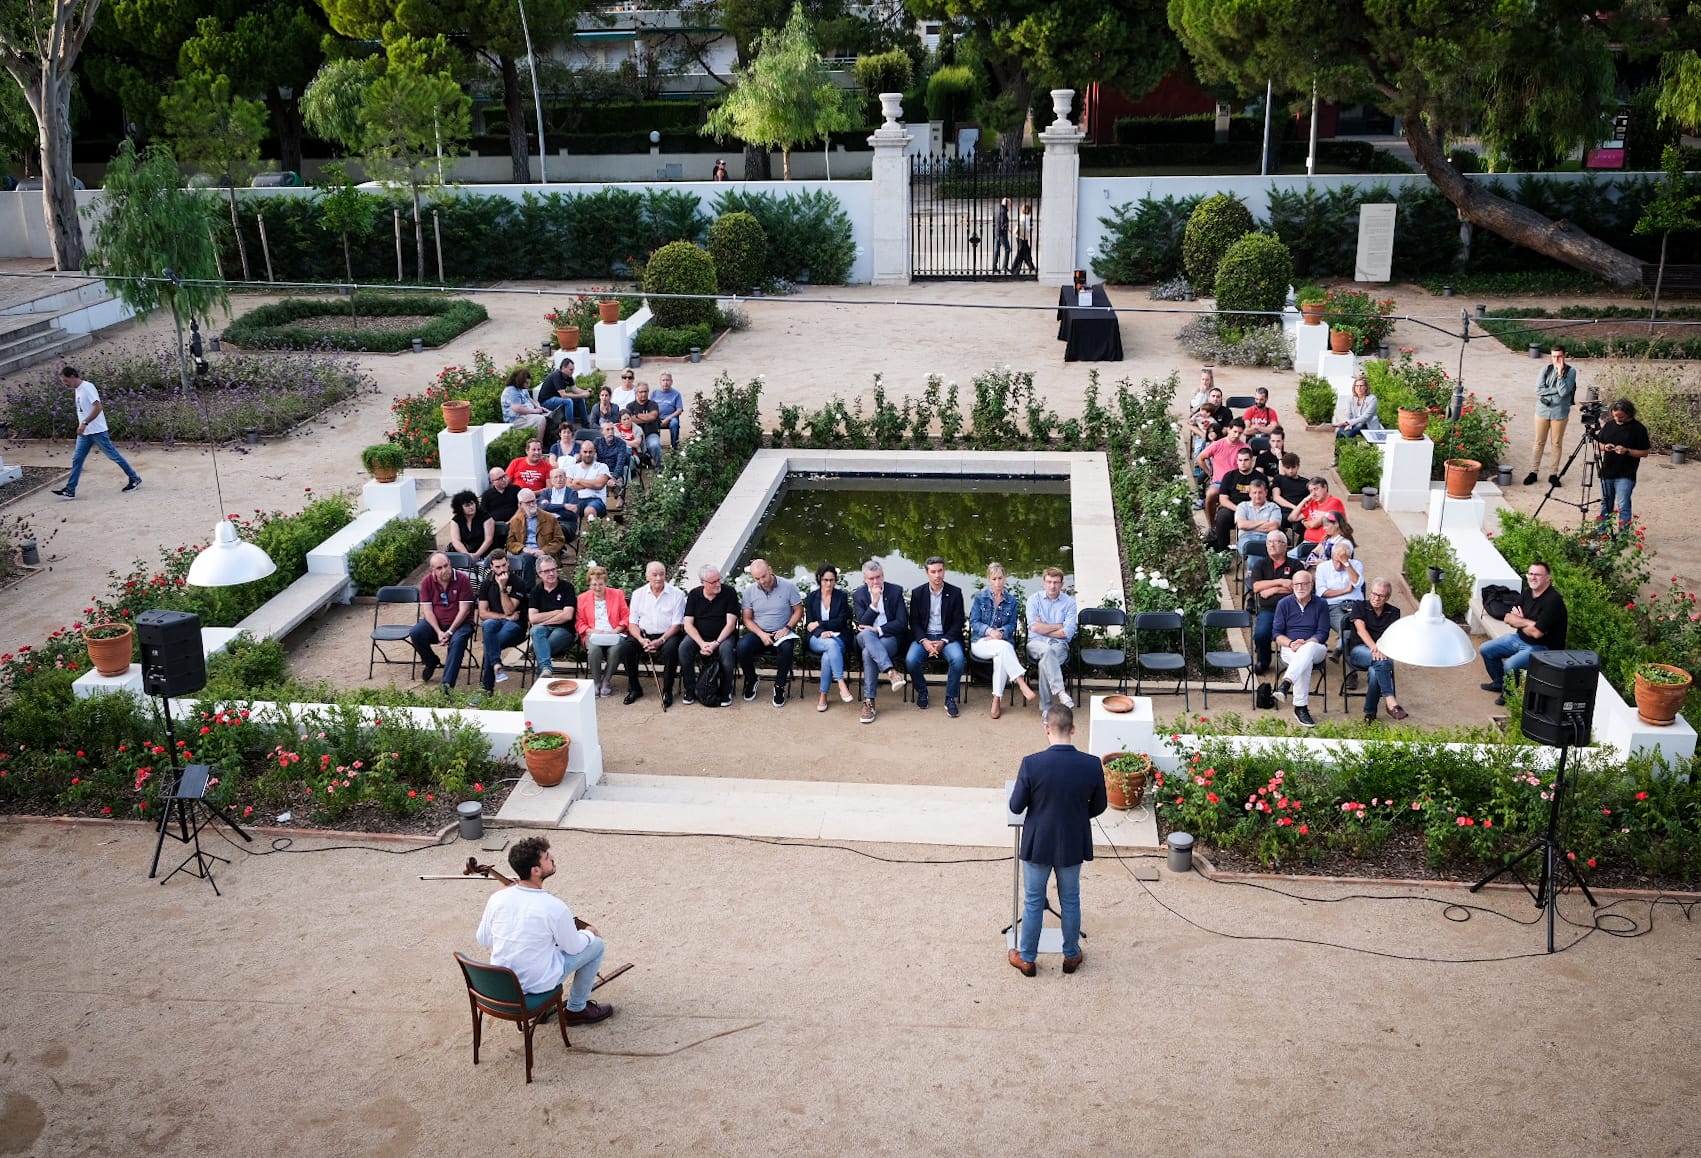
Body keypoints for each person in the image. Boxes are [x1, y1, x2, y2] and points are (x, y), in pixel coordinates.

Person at [1006, 704, 1107, 978]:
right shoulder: (1091, 764)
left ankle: (1027, 958)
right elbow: (1100, 806)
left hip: (1039, 840)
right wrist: (1076, 814)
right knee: (1071, 899)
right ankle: (1071, 954)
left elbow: (1016, 807)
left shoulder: (1032, 763)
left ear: (1046, 729)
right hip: (1073, 839)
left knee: (1033, 900)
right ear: (1073, 729)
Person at [474, 836, 613, 1027]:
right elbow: (573, 948)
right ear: (535, 870)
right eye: (547, 857)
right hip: (536, 984)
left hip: (502, 986)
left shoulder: (497, 898)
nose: (552, 857)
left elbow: (483, 939)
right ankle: (576, 1009)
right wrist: (589, 933)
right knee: (596, 945)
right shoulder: (554, 907)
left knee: (541, 942)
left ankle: (545, 1010)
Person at [1480, 560, 1568, 705]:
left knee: (1510, 665)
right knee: (1486, 649)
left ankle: (1508, 694)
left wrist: (1520, 620)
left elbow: (1537, 633)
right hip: (1519, 638)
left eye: (1538, 575)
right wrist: (1528, 623)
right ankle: (1498, 683)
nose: (1533, 577)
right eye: (1531, 574)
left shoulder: (1553, 601)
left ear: (1548, 578)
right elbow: (1508, 617)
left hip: (1542, 647)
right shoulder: (1528, 593)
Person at [51, 365, 142, 500]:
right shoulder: (77, 390)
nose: (65, 384)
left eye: (65, 381)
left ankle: (134, 478)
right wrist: (83, 425)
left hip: (97, 430)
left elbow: (98, 407)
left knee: (114, 456)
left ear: (72, 377)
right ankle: (70, 490)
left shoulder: (87, 387)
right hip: (86, 432)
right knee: (77, 459)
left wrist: (85, 423)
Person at [969, 562, 1037, 719]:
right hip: (981, 642)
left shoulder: (1012, 601)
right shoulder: (980, 598)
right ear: (989, 579)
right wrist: (989, 631)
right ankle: (1020, 682)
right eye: (994, 579)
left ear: (1005, 578)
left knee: (1001, 656)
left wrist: (1000, 632)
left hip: (1001, 643)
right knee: (1004, 648)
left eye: (1000, 578)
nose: (998, 582)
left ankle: (996, 699)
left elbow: (1012, 625)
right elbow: (974, 621)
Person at [905, 555, 967, 717]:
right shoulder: (918, 593)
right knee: (911, 660)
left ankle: (950, 698)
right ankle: (922, 691)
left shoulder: (955, 592)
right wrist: (925, 641)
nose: (937, 575)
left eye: (940, 571)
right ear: (927, 573)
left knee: (958, 659)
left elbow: (958, 621)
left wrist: (943, 641)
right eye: (933, 572)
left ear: (944, 571)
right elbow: (915, 622)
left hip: (947, 637)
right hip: (924, 637)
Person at [738, 558, 803, 708]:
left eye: (764, 576)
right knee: (742, 647)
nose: (762, 581)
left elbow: (798, 610)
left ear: (770, 570)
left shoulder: (788, 587)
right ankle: (752, 679)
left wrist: (787, 628)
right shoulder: (750, 592)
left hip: (782, 631)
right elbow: (747, 619)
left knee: (787, 649)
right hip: (759, 632)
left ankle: (779, 686)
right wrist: (761, 634)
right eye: (757, 578)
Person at [618, 561, 685, 706]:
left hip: (668, 635)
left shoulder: (677, 594)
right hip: (643, 635)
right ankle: (635, 688)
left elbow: (677, 624)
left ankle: (667, 691)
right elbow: (633, 623)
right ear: (647, 576)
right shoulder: (638, 594)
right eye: (654, 575)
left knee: (670, 650)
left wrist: (661, 640)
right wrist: (642, 640)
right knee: (626, 648)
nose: (659, 578)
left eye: (662, 574)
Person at [1271, 569, 1329, 728]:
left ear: (1312, 585)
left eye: (1304, 583)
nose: (1300, 587)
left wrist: (1306, 643)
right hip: (1290, 647)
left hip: (1316, 647)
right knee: (1305, 662)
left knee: (1308, 650)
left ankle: (1286, 684)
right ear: (1292, 585)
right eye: (1297, 583)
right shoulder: (1284, 604)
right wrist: (1291, 643)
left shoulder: (1321, 604)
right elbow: (1276, 634)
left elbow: (1323, 633)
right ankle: (1300, 707)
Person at [852, 560, 908, 724]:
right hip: (865, 637)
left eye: (878, 577)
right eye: (871, 578)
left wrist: (879, 630)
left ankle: (869, 702)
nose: (876, 582)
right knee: (867, 635)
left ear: (883, 576)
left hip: (889, 638)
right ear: (865, 579)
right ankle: (891, 672)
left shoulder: (895, 591)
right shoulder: (860, 595)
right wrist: (875, 603)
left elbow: (901, 623)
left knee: (868, 653)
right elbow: (862, 624)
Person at [410, 552, 475, 691]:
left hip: (461, 624)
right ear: (432, 570)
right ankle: (431, 661)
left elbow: (464, 611)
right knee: (416, 632)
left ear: (450, 564)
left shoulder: (463, 579)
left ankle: (447, 685)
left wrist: (450, 631)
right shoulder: (427, 582)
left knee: (457, 642)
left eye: (446, 566)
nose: (444, 570)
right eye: (439, 568)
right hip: (437, 624)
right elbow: (427, 611)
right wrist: (439, 631)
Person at [1347, 578, 1409, 722]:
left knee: (1376, 671)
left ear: (1387, 597)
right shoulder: (1359, 606)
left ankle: (1370, 714)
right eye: (1374, 594)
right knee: (1382, 661)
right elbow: (1361, 630)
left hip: (1382, 655)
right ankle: (1390, 700)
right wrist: (1375, 648)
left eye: (1380, 596)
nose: (1375, 598)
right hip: (1359, 651)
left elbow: (1393, 636)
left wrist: (1381, 651)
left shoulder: (1393, 612)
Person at [679, 565, 740, 708]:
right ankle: (690, 689)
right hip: (699, 637)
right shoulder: (694, 594)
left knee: (726, 651)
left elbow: (731, 624)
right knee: (684, 648)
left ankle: (726, 691)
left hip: (723, 637)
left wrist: (716, 643)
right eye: (713, 582)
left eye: (719, 579)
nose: (718, 584)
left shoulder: (729, 592)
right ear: (703, 583)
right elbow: (688, 624)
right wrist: (701, 643)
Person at [802, 564, 854, 711]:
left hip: (838, 637)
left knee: (828, 655)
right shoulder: (812, 598)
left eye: (832, 580)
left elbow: (841, 621)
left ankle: (823, 695)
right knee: (830, 645)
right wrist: (821, 632)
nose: (829, 584)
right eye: (825, 580)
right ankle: (841, 683)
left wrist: (820, 624)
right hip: (817, 638)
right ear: (819, 579)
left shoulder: (841, 596)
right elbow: (809, 625)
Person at [1248, 531, 1300, 674]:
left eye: (1276, 541)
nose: (1271, 544)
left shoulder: (1296, 565)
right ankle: (1263, 662)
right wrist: (1281, 582)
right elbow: (1257, 587)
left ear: (1285, 546)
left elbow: (1298, 588)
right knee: (1260, 634)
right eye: (1269, 542)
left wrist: (1271, 590)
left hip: (1293, 610)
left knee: (1299, 633)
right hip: (1269, 610)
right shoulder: (1261, 564)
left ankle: (1296, 663)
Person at [1026, 566, 1077, 712]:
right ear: (1044, 583)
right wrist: (1058, 626)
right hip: (1035, 644)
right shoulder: (1034, 600)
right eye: (1049, 582)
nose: (1052, 586)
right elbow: (1034, 627)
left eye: (1056, 582)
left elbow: (1067, 632)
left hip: (1059, 646)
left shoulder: (1069, 603)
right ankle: (1061, 693)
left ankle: (1046, 709)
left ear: (1061, 584)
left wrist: (1044, 627)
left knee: (1044, 663)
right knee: (1046, 651)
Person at [1594, 398, 1650, 531]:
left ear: (1629, 413)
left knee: (1623, 505)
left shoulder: (1638, 429)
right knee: (1605, 504)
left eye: (1621, 416)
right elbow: (1597, 444)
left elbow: (1645, 452)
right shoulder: (1609, 425)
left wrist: (1627, 451)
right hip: (1607, 471)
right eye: (1614, 416)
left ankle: (1623, 534)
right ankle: (1602, 531)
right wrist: (1605, 447)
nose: (1617, 419)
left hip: (1626, 474)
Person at [477, 553, 530, 692]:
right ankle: (496, 665)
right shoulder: (486, 583)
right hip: (498, 622)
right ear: (491, 567)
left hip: (516, 626)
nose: (502, 570)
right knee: (487, 624)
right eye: (497, 567)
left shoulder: (518, 583)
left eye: (504, 565)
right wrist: (503, 617)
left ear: (508, 563)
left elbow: (509, 609)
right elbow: (482, 614)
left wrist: (502, 588)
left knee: (491, 643)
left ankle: (486, 688)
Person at [575, 565, 630, 697]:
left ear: (606, 583)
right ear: (589, 583)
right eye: (594, 584)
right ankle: (596, 682)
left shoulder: (617, 594)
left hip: (614, 633)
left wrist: (616, 630)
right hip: (593, 634)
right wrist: (591, 631)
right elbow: (579, 622)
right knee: (594, 650)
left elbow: (626, 616)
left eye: (601, 584)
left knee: (616, 649)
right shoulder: (582, 598)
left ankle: (606, 681)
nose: (598, 588)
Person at [1526, 348, 1577, 485]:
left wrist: (1560, 375)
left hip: (1559, 412)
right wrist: (1555, 392)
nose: (1556, 359)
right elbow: (1538, 389)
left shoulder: (1571, 372)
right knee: (1539, 442)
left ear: (1564, 356)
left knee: (1556, 443)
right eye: (1554, 356)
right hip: (1542, 410)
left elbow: (1564, 392)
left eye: (1559, 356)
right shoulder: (1545, 369)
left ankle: (1553, 473)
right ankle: (1533, 471)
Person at [527, 557, 577, 680]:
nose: (551, 573)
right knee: (536, 631)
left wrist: (543, 621)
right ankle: (546, 670)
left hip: (564, 630)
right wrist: (555, 612)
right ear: (539, 574)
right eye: (547, 571)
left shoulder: (567, 587)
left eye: (553, 569)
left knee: (541, 646)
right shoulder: (536, 591)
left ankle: (543, 675)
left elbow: (567, 615)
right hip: (543, 630)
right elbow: (533, 618)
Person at [1312, 538, 1365, 653]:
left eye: (1341, 561)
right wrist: (1345, 591)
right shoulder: (1323, 567)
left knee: (1355, 626)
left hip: (1355, 605)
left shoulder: (1356, 565)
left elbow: (1357, 583)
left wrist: (1347, 564)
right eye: (1335, 560)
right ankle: (1350, 666)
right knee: (1348, 627)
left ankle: (1341, 647)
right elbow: (1322, 593)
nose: (1338, 565)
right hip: (1333, 607)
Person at [1208, 444, 1265, 550]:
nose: (1243, 463)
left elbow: (1265, 498)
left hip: (1254, 510)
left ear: (1251, 460)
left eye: (1246, 460)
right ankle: (1223, 551)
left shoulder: (1260, 477)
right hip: (1233, 509)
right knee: (1222, 516)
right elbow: (1223, 499)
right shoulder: (1229, 476)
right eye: (1240, 460)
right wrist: (1239, 509)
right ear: (1237, 461)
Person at [505, 489, 566, 586]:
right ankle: (529, 590)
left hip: (544, 552)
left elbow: (559, 540)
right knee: (527, 557)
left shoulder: (550, 518)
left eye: (533, 501)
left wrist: (543, 551)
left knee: (534, 559)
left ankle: (532, 590)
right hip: (525, 553)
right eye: (528, 502)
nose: (532, 504)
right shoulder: (515, 521)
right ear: (520, 505)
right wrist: (524, 548)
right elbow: (510, 543)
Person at [1195, 418, 1249, 518]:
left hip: (1238, 482)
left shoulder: (1245, 448)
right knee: (1211, 494)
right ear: (1229, 430)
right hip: (1219, 482)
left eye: (1240, 433)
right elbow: (1200, 458)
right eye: (1235, 431)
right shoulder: (1217, 444)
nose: (1236, 435)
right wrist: (1209, 473)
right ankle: (1212, 527)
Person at [1292, 476, 1346, 561]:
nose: (1313, 494)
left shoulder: (1334, 502)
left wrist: (1304, 522)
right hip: (1306, 543)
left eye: (1316, 489)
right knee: (1284, 559)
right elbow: (1292, 518)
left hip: (1322, 545)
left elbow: (1313, 524)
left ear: (1325, 487)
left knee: (1290, 561)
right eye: (1310, 491)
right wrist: (1305, 499)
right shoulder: (1313, 503)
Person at [1234, 477, 1285, 560]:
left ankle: (1253, 572)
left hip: (1267, 539)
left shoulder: (1274, 507)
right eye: (1254, 493)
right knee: (1252, 548)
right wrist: (1262, 522)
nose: (1257, 496)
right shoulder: (1242, 506)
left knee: (1256, 553)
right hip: (1246, 538)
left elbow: (1273, 527)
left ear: (1266, 492)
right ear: (1249, 493)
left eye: (1260, 492)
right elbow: (1241, 525)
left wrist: (1250, 525)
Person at [448, 490, 498, 574]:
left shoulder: (486, 518)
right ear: (460, 507)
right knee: (458, 571)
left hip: (485, 552)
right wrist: (467, 556)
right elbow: (456, 541)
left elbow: (489, 540)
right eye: (467, 505)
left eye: (472, 503)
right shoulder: (456, 520)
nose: (471, 507)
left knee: (483, 571)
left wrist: (476, 555)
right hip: (464, 552)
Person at [564, 440, 613, 524]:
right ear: (580, 452)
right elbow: (568, 486)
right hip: (576, 499)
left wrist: (579, 480)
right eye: (585, 452)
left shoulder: (602, 467)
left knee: (589, 511)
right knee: (564, 509)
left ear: (594, 452)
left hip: (596, 500)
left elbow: (599, 484)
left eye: (590, 452)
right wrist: (591, 484)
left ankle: (593, 535)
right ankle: (570, 535)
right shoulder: (572, 468)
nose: (587, 454)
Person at [537, 358, 589, 430]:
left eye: (573, 369)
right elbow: (563, 395)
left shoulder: (568, 376)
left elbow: (575, 389)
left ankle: (586, 424)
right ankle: (570, 427)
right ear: (564, 368)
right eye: (571, 370)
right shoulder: (557, 376)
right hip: (546, 402)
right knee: (568, 401)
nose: (572, 372)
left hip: (556, 399)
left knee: (579, 399)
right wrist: (582, 395)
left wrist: (586, 392)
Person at [625, 382, 665, 468]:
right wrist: (646, 418)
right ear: (636, 393)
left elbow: (653, 416)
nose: (643, 394)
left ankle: (659, 467)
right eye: (641, 392)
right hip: (635, 436)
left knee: (654, 445)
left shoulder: (653, 404)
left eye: (645, 391)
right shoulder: (630, 406)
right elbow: (629, 420)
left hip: (651, 434)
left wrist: (637, 416)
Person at [591, 420, 635, 498]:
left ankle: (617, 499)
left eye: (612, 429)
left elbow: (620, 463)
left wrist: (613, 478)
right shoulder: (597, 442)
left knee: (617, 487)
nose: (610, 432)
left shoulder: (621, 444)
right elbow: (592, 460)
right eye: (607, 429)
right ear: (602, 431)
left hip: (615, 473)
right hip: (600, 473)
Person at [500, 367, 548, 435]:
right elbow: (517, 408)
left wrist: (539, 407)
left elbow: (530, 399)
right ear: (520, 381)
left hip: (526, 415)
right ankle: (539, 443)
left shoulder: (522, 388)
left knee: (549, 415)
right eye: (527, 383)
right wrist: (534, 411)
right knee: (540, 420)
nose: (528, 385)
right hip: (516, 419)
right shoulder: (512, 391)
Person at [1269, 451, 1310, 527]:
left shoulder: (1306, 483)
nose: (1290, 471)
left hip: (1299, 514)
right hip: (1281, 512)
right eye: (1287, 468)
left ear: (1298, 466)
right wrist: (1294, 507)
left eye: (1293, 467)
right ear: (1283, 467)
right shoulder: (1278, 479)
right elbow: (1276, 497)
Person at [536, 467, 579, 533]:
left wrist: (550, 507)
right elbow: (542, 508)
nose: (558, 479)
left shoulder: (572, 493)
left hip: (566, 524)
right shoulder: (545, 493)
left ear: (565, 478)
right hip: (547, 522)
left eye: (561, 476)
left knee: (552, 529)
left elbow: (571, 514)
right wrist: (564, 506)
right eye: (555, 477)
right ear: (551, 480)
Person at [652, 372, 685, 449]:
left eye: (667, 380)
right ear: (660, 382)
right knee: (651, 423)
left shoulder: (676, 394)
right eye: (663, 380)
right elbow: (650, 407)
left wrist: (668, 418)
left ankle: (674, 446)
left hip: (671, 418)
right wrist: (656, 418)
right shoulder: (654, 393)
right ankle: (655, 446)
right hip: (657, 417)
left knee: (674, 423)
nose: (665, 382)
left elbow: (679, 410)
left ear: (671, 381)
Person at [1011, 202, 1036, 275]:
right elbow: (1027, 228)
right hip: (1023, 237)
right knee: (1022, 253)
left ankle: (1031, 268)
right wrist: (1031, 228)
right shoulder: (1027, 217)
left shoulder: (1022, 216)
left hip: (1019, 237)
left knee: (1025, 252)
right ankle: (1015, 269)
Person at [992, 196, 1013, 274]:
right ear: (1007, 203)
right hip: (1001, 233)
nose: (1010, 206)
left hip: (996, 232)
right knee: (1008, 249)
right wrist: (1008, 229)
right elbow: (1003, 224)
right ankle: (1005, 266)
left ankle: (994, 267)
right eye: (1010, 204)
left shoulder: (997, 208)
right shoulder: (1004, 211)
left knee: (996, 250)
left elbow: (994, 220)